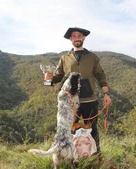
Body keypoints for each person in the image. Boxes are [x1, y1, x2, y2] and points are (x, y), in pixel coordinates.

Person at [45, 27, 111, 157]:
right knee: (71, 130)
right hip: (70, 102)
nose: (76, 38)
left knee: (92, 130)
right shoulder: (65, 58)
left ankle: (95, 156)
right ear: (71, 39)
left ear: (84, 38)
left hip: (89, 100)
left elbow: (100, 75)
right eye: (73, 36)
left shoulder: (92, 57)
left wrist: (106, 93)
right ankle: (72, 158)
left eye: (79, 35)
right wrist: (49, 79)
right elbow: (58, 76)